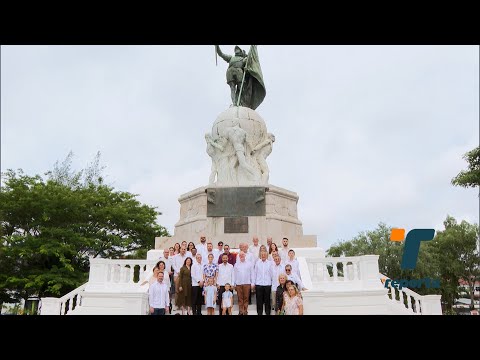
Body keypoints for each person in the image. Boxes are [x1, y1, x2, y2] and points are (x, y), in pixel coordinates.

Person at [215, 45, 266, 110]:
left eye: (237, 49)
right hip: (230, 72)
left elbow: (249, 64)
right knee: (232, 89)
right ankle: (234, 103)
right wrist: (217, 47)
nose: (236, 50)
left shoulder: (244, 59)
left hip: (239, 72)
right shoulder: (231, 58)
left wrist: (247, 67)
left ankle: (243, 102)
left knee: (242, 88)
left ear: (240, 51)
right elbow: (221, 54)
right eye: (235, 49)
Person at [234, 251, 255, 315]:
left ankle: (245, 311)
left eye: (243, 255)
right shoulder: (236, 264)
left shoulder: (249, 264)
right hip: (239, 283)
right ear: (239, 256)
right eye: (240, 255)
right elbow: (234, 274)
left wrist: (253, 283)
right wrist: (234, 283)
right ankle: (240, 311)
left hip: (247, 283)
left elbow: (252, 273)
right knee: (240, 298)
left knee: (246, 298)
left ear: (245, 256)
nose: (242, 256)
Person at [253, 250, 274, 315]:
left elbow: (272, 274)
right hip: (259, 284)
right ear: (260, 255)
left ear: (267, 255)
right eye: (262, 255)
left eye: (264, 255)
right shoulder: (257, 263)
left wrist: (272, 283)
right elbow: (255, 274)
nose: (263, 256)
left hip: (267, 284)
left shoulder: (270, 263)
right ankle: (259, 313)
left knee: (267, 300)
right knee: (259, 301)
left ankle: (268, 313)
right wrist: (254, 283)